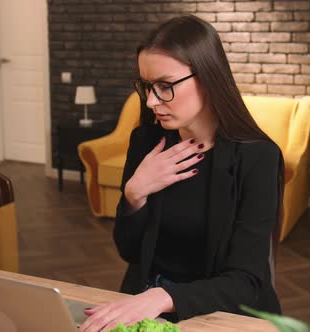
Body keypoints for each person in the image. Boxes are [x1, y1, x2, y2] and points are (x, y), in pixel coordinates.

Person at [80, 15, 283, 332]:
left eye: (164, 86)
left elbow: (246, 282)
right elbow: (130, 251)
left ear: (208, 78)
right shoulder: (146, 141)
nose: (151, 101)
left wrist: (162, 296)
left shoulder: (258, 157)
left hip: (224, 315)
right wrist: (134, 195)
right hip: (150, 308)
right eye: (147, 86)